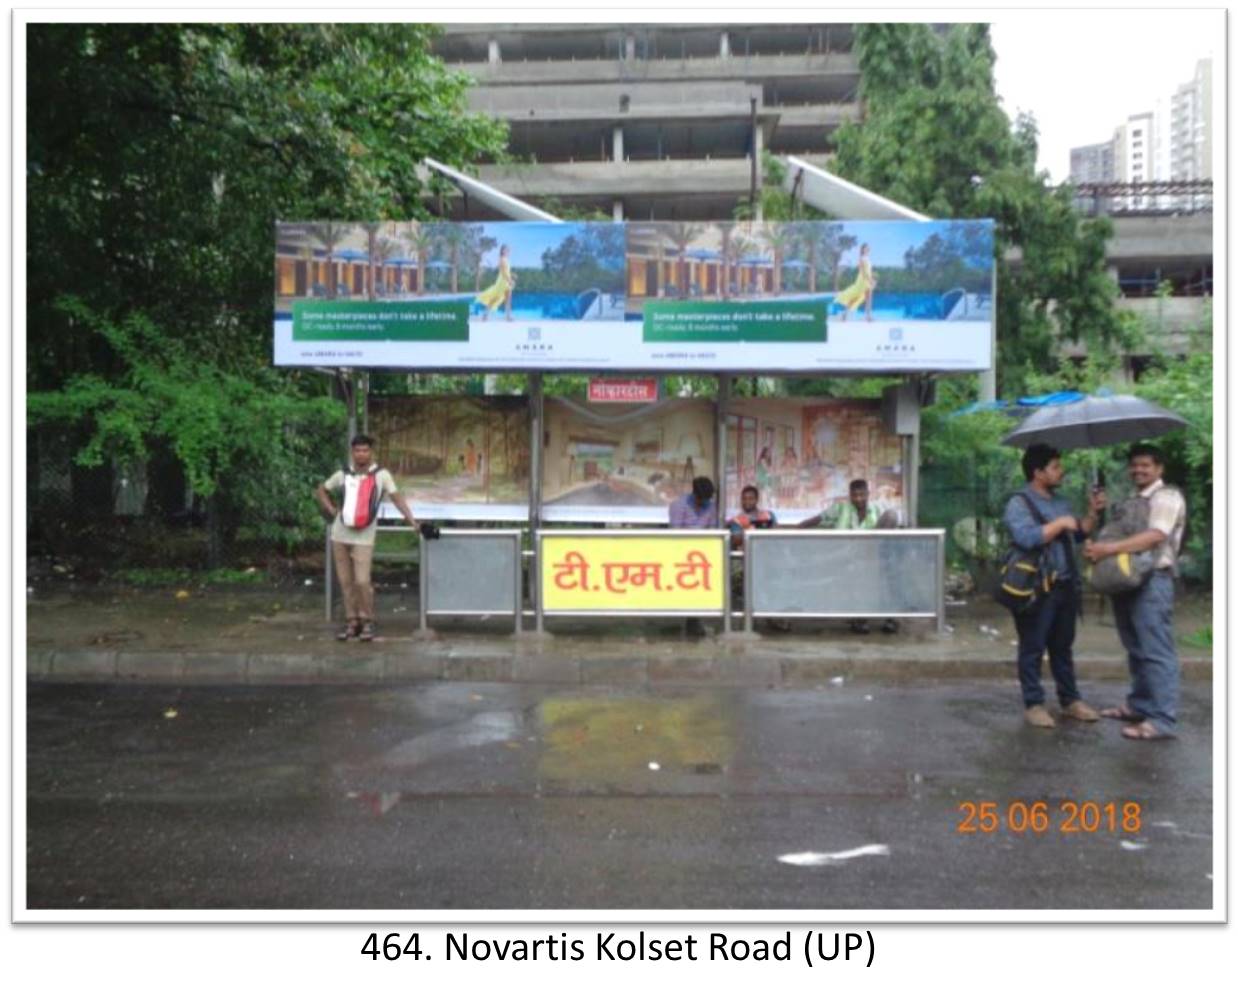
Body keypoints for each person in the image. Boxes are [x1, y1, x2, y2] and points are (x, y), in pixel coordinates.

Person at [1083, 444, 1186, 741]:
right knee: (1137, 648)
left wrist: (1107, 549)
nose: (1138, 470)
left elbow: (1156, 535)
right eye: (1134, 465)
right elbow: (1117, 535)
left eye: (1145, 465)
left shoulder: (1166, 496)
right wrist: (1097, 516)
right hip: (1128, 581)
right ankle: (1139, 705)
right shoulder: (1132, 500)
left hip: (1153, 580)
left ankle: (1162, 719)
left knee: (1157, 651)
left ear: (1159, 469)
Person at [1002, 444, 1107, 728]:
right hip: (1036, 587)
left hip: (1065, 583)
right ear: (1038, 472)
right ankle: (1034, 703)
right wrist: (1060, 524)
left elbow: (1078, 532)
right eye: (1056, 467)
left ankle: (1070, 700)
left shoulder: (1060, 502)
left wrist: (1092, 514)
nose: (1062, 472)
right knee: (1033, 646)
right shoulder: (1019, 503)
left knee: (1063, 646)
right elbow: (1026, 537)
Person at [316, 434, 429, 642]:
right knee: (345, 581)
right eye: (358, 450)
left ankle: (367, 620)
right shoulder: (344, 473)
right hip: (340, 534)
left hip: (364, 536)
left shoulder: (381, 475)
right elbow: (321, 490)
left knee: (362, 580)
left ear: (371, 452)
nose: (361, 454)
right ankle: (352, 621)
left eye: (365, 450)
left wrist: (412, 522)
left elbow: (397, 498)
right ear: (353, 452)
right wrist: (332, 511)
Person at [800, 478, 896, 634]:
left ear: (868, 494)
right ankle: (860, 619)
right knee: (858, 575)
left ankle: (891, 618)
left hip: (874, 560)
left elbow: (892, 521)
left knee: (887, 575)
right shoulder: (840, 509)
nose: (858, 499)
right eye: (855, 495)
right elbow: (818, 520)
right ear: (850, 495)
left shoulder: (879, 510)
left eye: (862, 495)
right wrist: (797, 529)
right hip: (845, 561)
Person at [668, 476, 717, 637]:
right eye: (702, 499)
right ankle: (691, 620)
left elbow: (713, 529)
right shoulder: (678, 505)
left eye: (707, 500)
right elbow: (675, 533)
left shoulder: (711, 507)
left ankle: (694, 620)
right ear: (694, 494)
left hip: (703, 556)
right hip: (683, 555)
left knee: (700, 589)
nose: (704, 502)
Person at [833, 243, 877, 322]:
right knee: (856, 298)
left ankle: (867, 317)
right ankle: (845, 314)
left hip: (867, 279)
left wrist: (872, 278)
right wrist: (870, 280)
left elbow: (869, 271)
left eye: (868, 248)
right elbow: (862, 272)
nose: (867, 249)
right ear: (862, 250)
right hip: (862, 280)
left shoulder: (868, 258)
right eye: (865, 248)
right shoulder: (861, 258)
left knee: (868, 299)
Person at [726, 484, 776, 550]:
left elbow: (776, 534)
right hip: (748, 555)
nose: (747, 502)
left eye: (751, 498)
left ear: (757, 499)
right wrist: (750, 530)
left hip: (768, 551)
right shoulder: (737, 520)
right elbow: (736, 540)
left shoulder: (769, 515)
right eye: (744, 499)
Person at [476, 244, 515, 321]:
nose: (508, 251)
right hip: (503, 281)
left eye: (508, 250)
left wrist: (512, 275)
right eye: (506, 250)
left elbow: (506, 271)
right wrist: (510, 280)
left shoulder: (506, 259)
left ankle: (508, 316)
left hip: (506, 280)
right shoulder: (502, 259)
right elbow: (503, 272)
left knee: (508, 300)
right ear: (503, 251)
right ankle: (485, 314)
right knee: (495, 298)